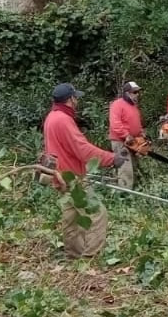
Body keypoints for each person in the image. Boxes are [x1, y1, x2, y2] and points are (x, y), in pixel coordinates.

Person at [44, 83, 126, 257]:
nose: (77, 102)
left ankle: (73, 254)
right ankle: (91, 256)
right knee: (98, 214)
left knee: (71, 217)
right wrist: (111, 158)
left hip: (60, 176)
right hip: (72, 176)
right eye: (75, 98)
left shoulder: (52, 116)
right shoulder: (63, 120)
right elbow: (83, 150)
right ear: (69, 100)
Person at [107, 81, 144, 188]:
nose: (137, 94)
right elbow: (115, 123)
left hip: (133, 141)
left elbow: (136, 123)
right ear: (127, 93)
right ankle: (124, 194)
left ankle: (133, 189)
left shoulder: (133, 106)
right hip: (121, 141)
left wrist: (141, 134)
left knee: (133, 166)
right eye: (135, 92)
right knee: (125, 168)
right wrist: (126, 135)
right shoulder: (117, 104)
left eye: (138, 92)